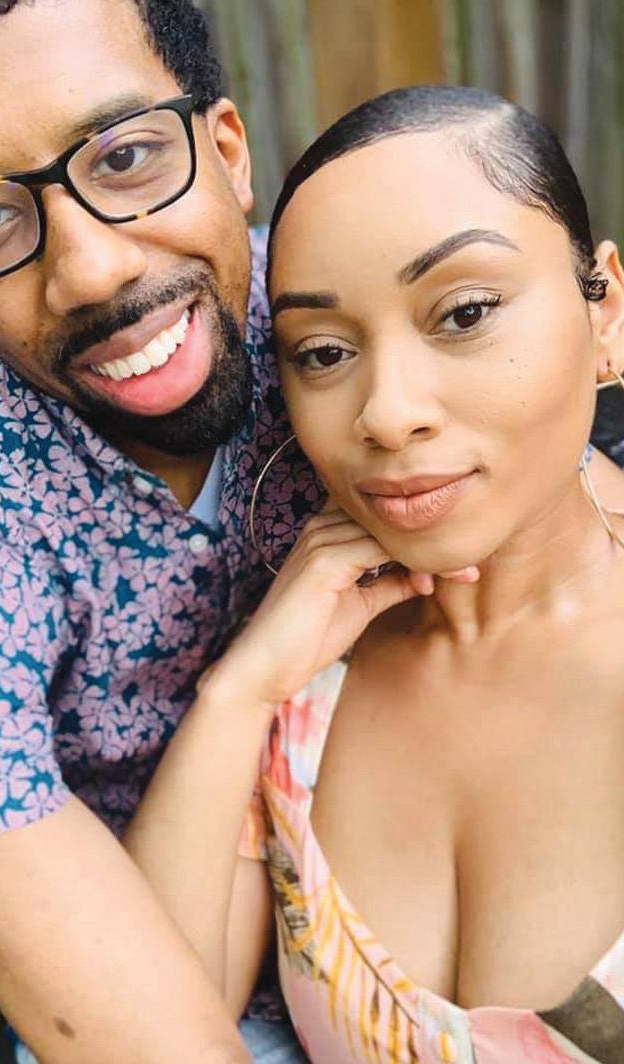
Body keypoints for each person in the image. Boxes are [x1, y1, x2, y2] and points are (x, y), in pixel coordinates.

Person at [123, 86, 624, 1063]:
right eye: (322, 352)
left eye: (464, 312)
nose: (386, 413)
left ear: (603, 309)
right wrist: (239, 692)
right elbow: (138, 1035)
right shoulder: (298, 695)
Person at [0, 1, 317, 1060]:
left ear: (226, 151)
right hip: (144, 952)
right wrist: (246, 683)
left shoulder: (350, 316)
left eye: (124, 157)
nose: (90, 270)